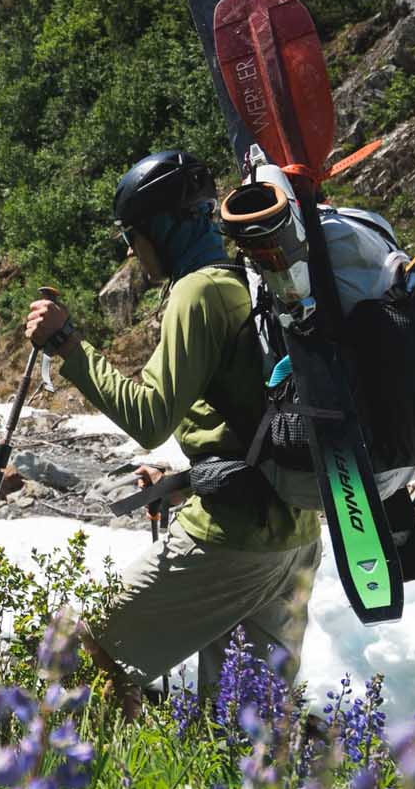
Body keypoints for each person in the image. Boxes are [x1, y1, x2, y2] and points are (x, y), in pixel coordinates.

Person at [20, 150, 321, 701]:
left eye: (134, 234)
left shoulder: (198, 291)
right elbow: (256, 414)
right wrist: (189, 475)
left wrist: (68, 345)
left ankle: (92, 781)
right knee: (243, 732)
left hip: (228, 541)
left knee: (81, 658)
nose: (133, 250)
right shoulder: (248, 279)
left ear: (163, 227)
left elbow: (149, 417)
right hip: (296, 537)